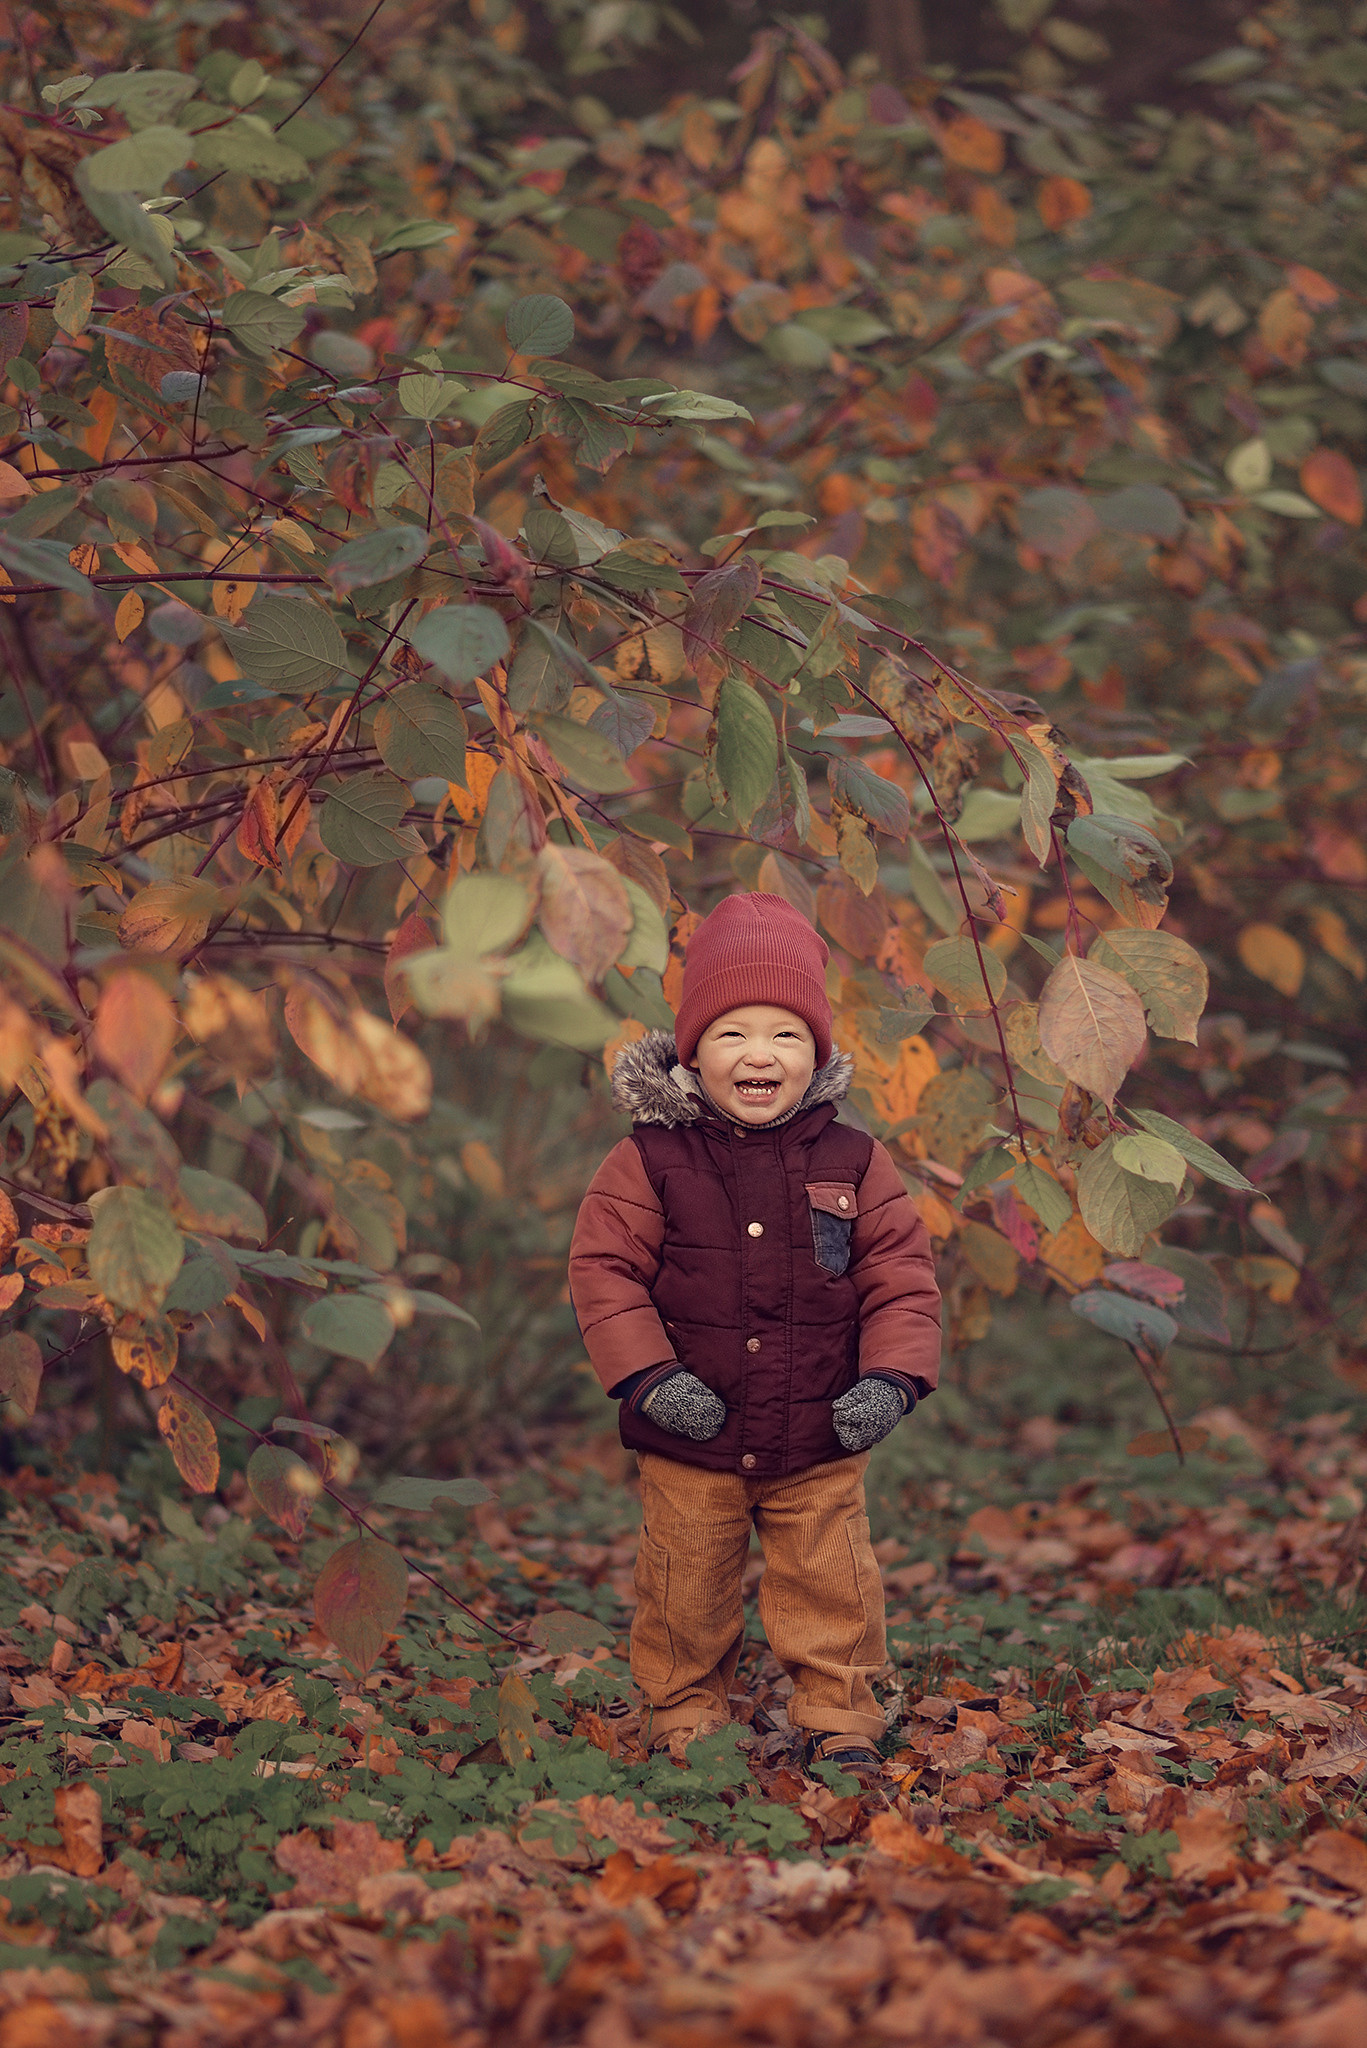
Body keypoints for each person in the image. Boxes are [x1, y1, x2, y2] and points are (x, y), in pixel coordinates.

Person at [569, 891, 942, 1780]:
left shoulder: (853, 1159)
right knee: (684, 1585)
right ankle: (684, 1713)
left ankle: (837, 1714)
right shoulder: (649, 1160)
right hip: (688, 1428)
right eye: (733, 1033)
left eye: (784, 1034)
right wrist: (650, 1379)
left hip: (819, 1424)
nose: (759, 1054)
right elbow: (603, 1272)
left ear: (815, 1055)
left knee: (831, 1579)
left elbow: (900, 1278)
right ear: (692, 1053)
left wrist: (889, 1380)